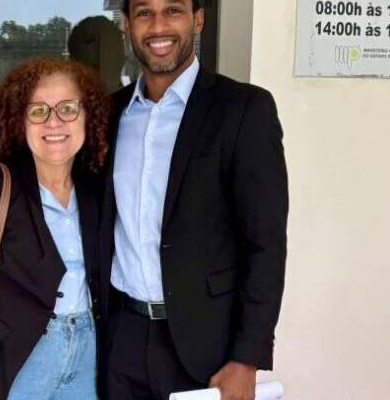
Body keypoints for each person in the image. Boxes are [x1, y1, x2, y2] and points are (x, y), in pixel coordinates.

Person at [98, 1, 289, 400]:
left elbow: (265, 245)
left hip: (207, 349)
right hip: (121, 343)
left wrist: (246, 358)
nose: (158, 27)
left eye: (173, 10)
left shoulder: (243, 110)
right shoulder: (109, 114)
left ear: (198, 19)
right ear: (127, 25)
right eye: (144, 13)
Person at [0, 57, 111, 400]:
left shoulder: (95, 187)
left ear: (87, 115)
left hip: (88, 353)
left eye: (68, 108)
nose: (54, 122)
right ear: (19, 120)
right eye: (38, 111)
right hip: (20, 358)